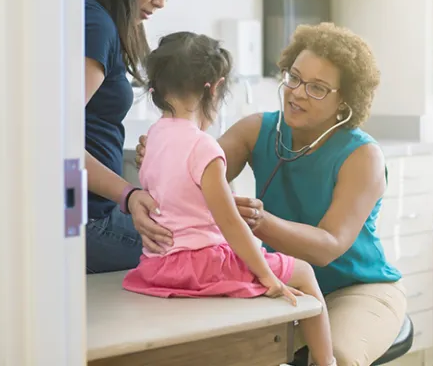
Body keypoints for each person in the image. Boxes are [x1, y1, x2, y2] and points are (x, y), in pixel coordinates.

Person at [134, 23, 407, 366]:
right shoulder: (258, 129)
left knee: (339, 355)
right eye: (294, 77)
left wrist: (258, 222)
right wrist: (166, 153)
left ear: (346, 101)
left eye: (318, 88)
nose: (298, 93)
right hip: (278, 280)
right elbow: (196, 172)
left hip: (355, 289)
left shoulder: (362, 156)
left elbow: (327, 247)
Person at [123, 31, 336, 366]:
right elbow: (232, 225)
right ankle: (327, 362)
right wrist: (268, 276)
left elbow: (182, 202)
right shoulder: (203, 146)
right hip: (199, 265)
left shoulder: (153, 138)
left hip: (157, 265)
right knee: (304, 272)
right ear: (215, 87)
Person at [84, 0, 196, 274]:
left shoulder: (89, 12)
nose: (161, 2)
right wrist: (128, 195)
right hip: (87, 221)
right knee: (207, 247)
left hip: (89, 212)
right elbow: (56, 139)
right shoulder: (95, 25)